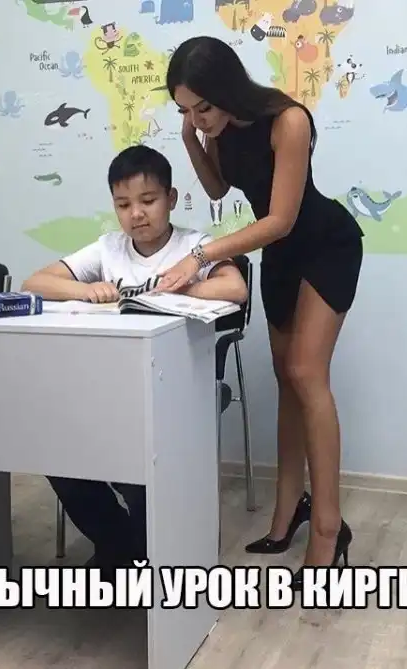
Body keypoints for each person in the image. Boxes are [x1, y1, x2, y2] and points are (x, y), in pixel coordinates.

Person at [160, 36, 364, 589]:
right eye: (185, 110)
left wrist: (200, 255)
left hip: (325, 246)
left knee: (305, 372)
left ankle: (328, 530)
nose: (198, 118)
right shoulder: (216, 128)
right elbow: (217, 187)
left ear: (227, 88)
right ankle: (288, 512)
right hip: (280, 256)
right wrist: (191, 137)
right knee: (284, 378)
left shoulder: (287, 121)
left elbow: (280, 220)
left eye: (202, 107)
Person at [21, 145, 248, 575]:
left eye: (148, 200)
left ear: (171, 199)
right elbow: (35, 282)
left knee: (139, 465)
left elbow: (235, 289)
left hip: (177, 387)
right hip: (109, 386)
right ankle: (123, 546)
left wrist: (177, 287)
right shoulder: (109, 248)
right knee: (58, 457)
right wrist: (85, 289)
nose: (136, 214)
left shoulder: (194, 246)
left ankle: (147, 552)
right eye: (123, 205)